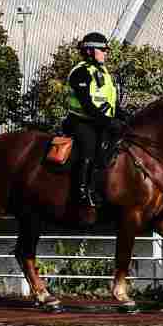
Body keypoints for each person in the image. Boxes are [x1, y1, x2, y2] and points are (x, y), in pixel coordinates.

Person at [63, 32, 121, 209]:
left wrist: (123, 117)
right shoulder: (80, 73)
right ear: (89, 51)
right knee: (89, 149)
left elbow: (111, 102)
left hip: (100, 122)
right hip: (80, 122)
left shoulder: (103, 72)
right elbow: (87, 104)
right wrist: (107, 122)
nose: (106, 53)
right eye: (102, 49)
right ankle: (81, 192)